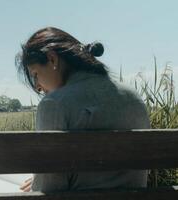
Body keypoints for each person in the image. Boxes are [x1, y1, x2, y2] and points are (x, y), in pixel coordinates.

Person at [15, 27, 150, 192]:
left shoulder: (54, 105)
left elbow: (49, 190)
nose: (37, 87)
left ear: (52, 59)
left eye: (35, 74)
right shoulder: (133, 97)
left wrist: (39, 181)